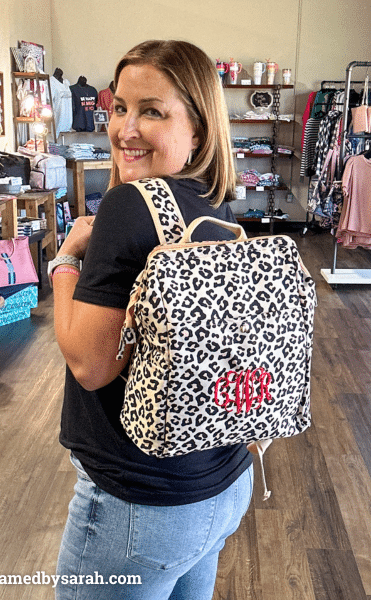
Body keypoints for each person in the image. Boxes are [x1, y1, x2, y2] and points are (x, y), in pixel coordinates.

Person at [52, 39, 253, 600]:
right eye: (120, 108)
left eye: (152, 111)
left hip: (137, 506)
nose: (125, 129)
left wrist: (67, 260)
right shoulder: (216, 206)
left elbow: (91, 365)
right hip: (222, 481)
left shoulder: (127, 206)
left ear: (199, 130)